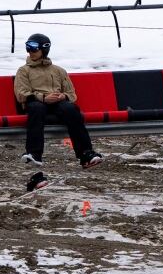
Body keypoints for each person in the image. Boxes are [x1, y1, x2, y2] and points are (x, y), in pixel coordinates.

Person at [14, 33, 103, 191]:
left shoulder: (59, 71)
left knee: (71, 108)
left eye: (33, 48)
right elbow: (21, 93)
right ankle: (34, 153)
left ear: (44, 49)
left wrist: (63, 96)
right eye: (28, 47)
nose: (30, 51)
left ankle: (85, 154)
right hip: (36, 102)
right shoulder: (24, 71)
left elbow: (72, 94)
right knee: (36, 108)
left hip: (56, 103)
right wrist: (43, 97)